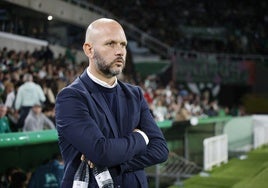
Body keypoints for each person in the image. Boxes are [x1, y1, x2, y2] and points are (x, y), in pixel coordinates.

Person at [55, 18, 169, 188]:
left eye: (123, 45)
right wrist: (141, 138)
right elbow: (101, 152)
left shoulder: (135, 94)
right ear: (89, 49)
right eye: (110, 44)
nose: (120, 51)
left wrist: (119, 163)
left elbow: (160, 150)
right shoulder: (71, 97)